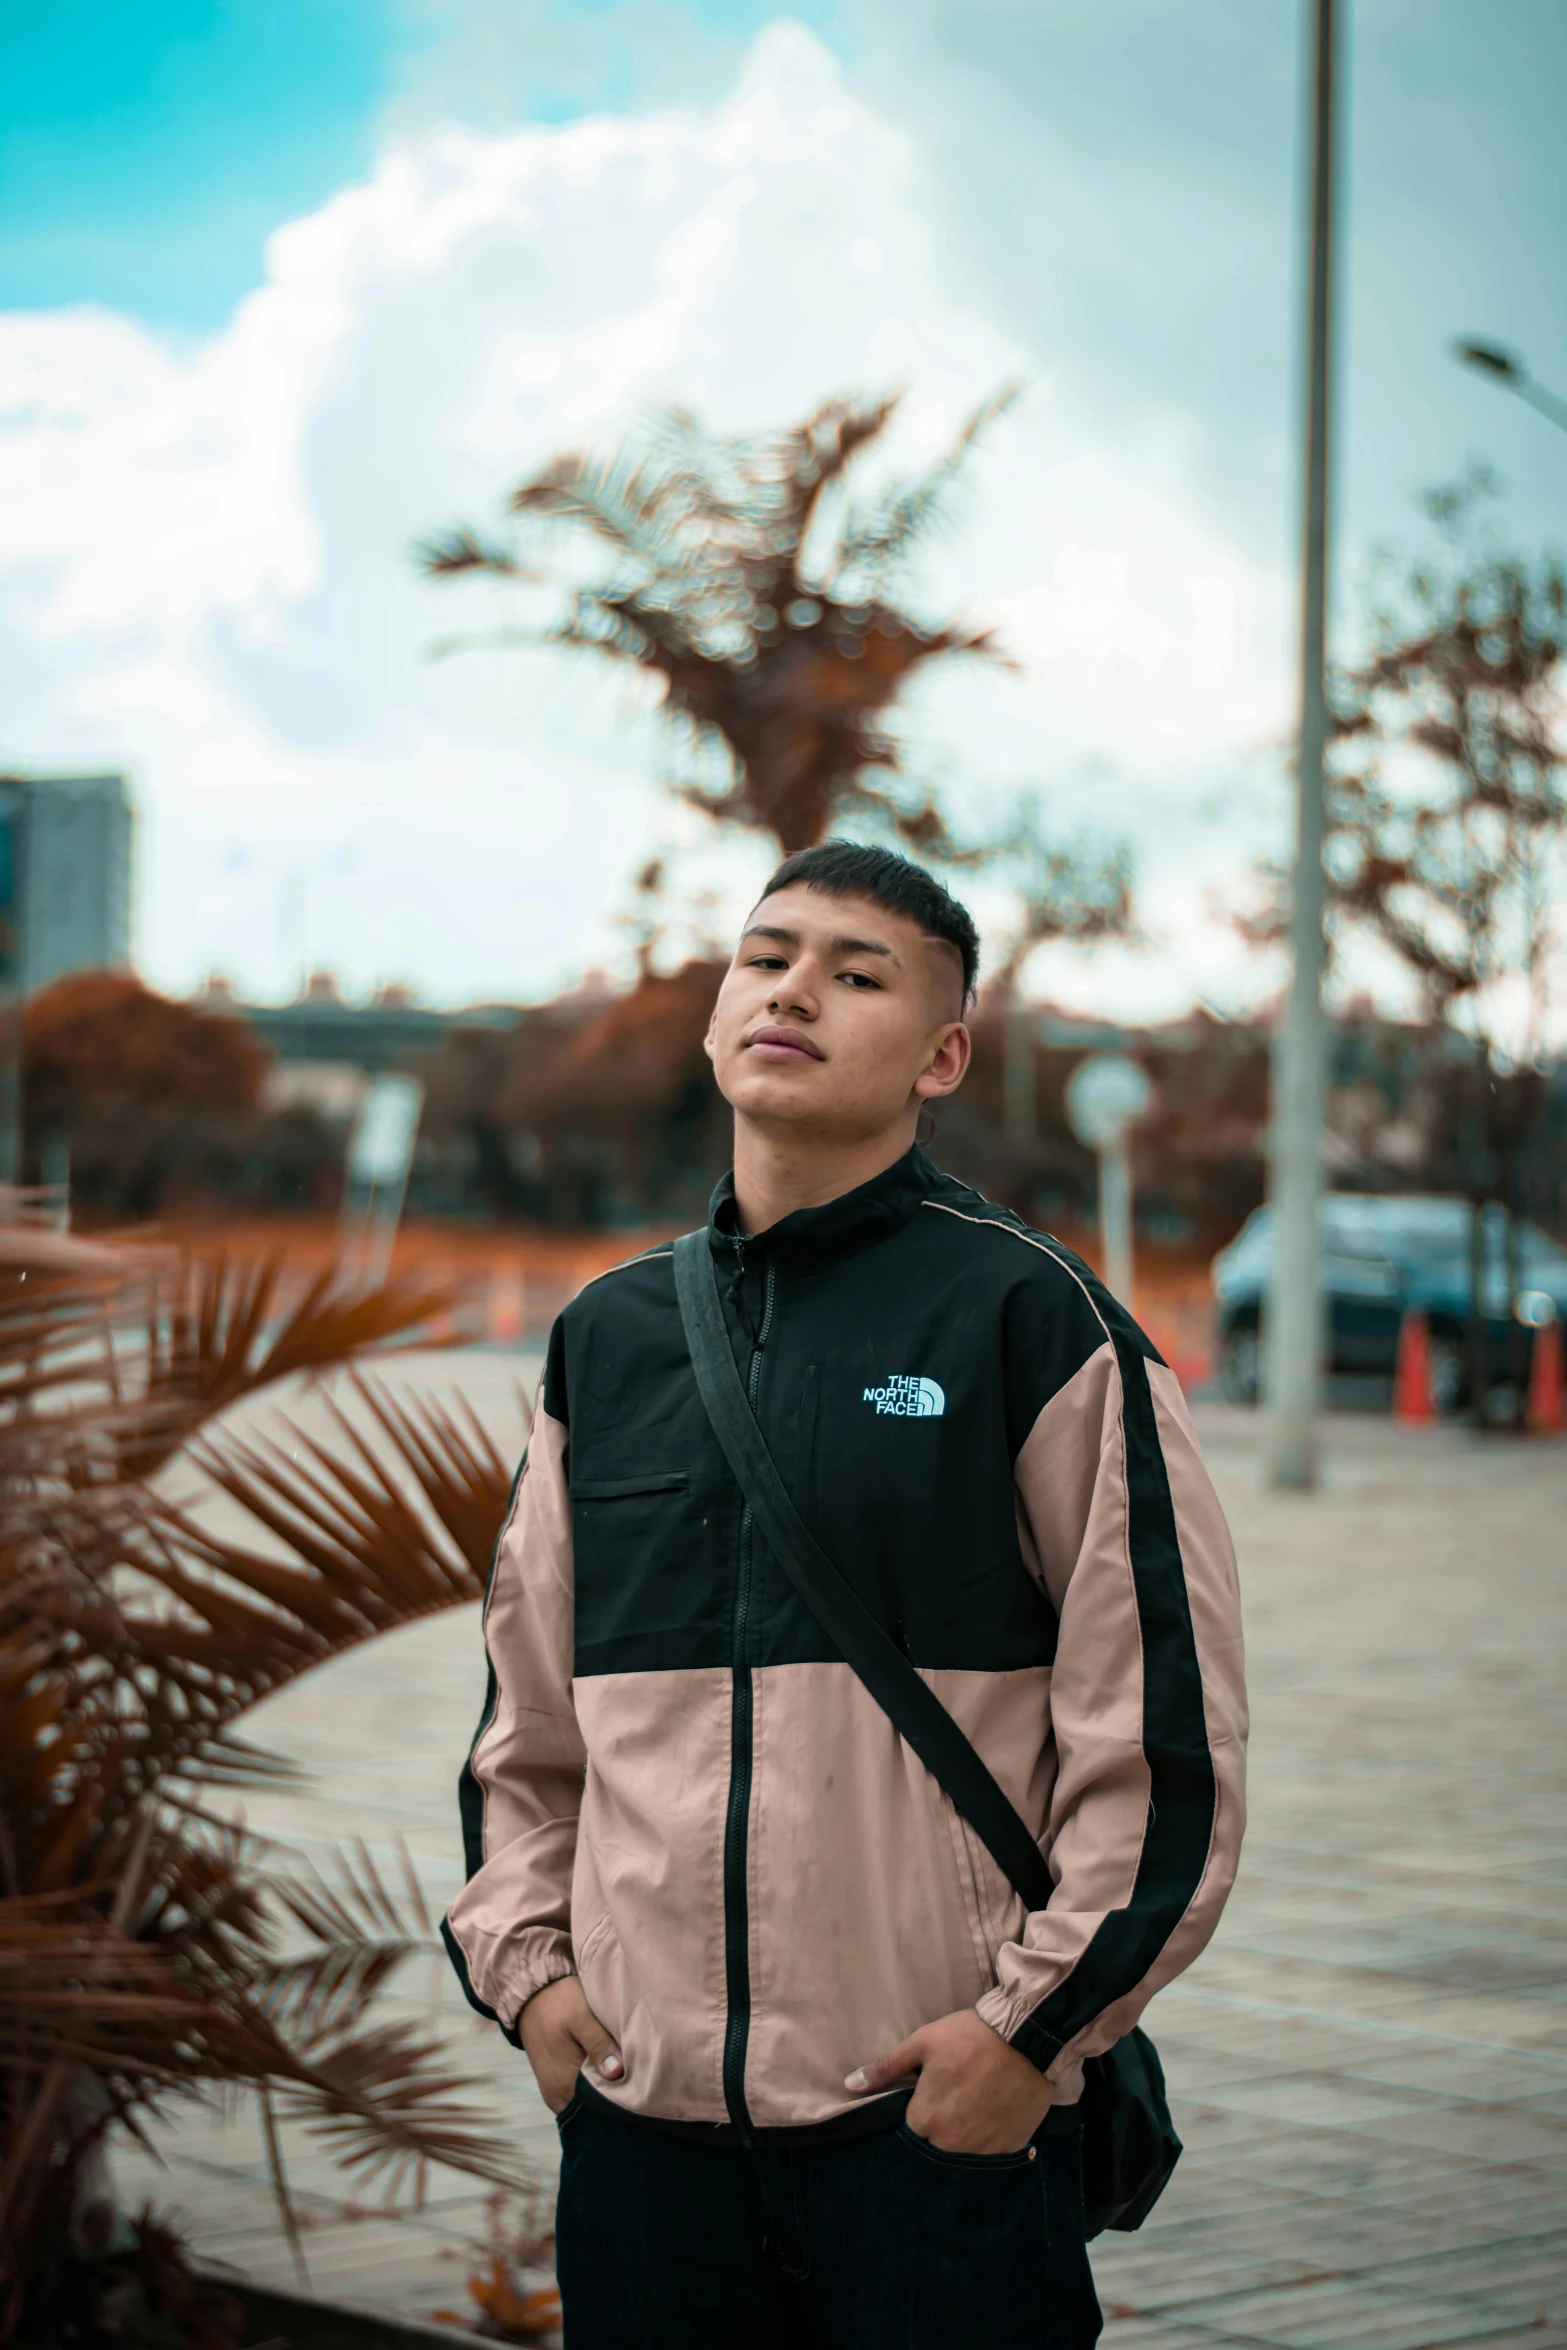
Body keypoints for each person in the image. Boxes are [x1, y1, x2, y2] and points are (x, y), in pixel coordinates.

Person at [444, 841, 1247, 2349]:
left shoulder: (1032, 1316)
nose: (794, 987)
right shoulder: (607, 1339)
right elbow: (525, 1731)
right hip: (638, 2139)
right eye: (766, 954)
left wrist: (1020, 2043)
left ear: (941, 1054)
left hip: (926, 2129)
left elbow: (1163, 1747)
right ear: (714, 1014)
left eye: (855, 971)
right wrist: (535, 1988)